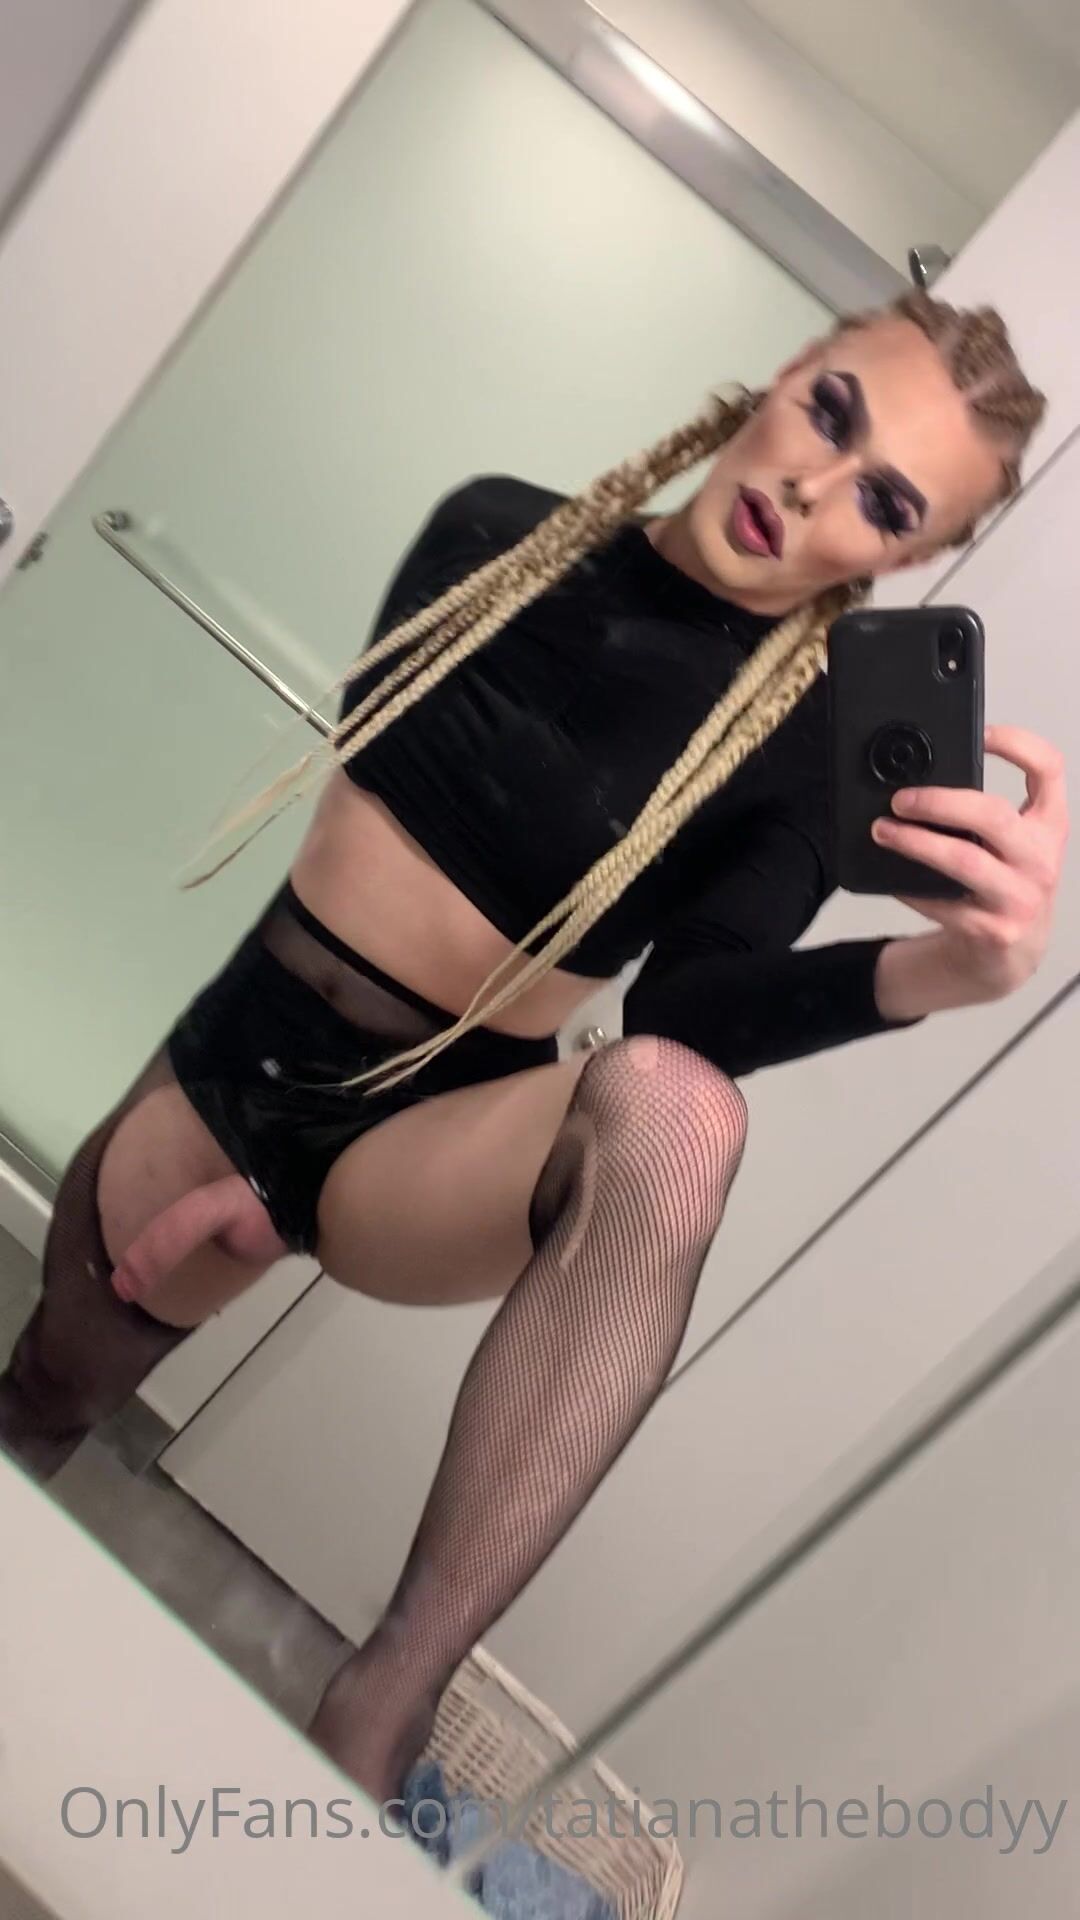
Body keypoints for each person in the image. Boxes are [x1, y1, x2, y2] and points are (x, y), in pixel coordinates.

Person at [0, 291, 1067, 1799]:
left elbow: (685, 1016)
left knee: (678, 1115)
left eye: (886, 503)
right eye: (831, 414)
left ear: (903, 560)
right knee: (47, 1391)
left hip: (428, 1147)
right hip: (249, 1059)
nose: (812, 486)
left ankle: (380, 1712)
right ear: (785, 374)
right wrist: (253, 1185)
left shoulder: (801, 745)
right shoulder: (498, 531)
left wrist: (939, 972)